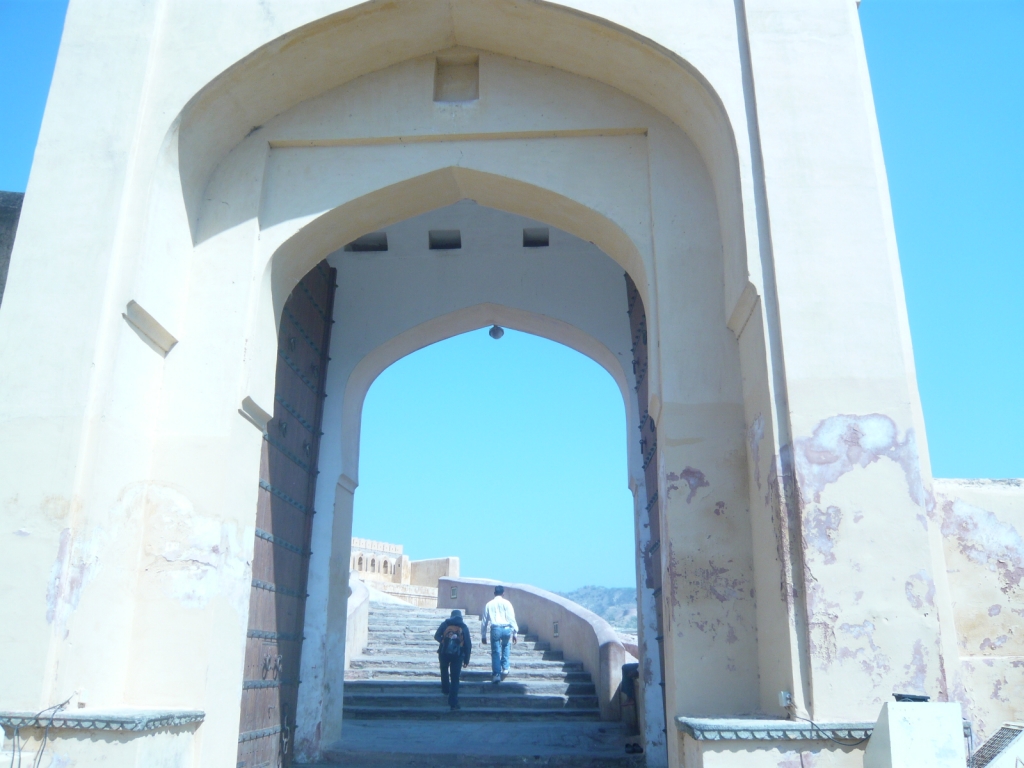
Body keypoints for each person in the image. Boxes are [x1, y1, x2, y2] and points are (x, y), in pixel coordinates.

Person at [433, 609, 471, 711]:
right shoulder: (463, 627)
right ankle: (453, 703)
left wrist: (443, 641)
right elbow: (468, 644)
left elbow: (436, 636)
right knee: (455, 678)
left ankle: (445, 690)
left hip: (443, 653)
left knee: (444, 670)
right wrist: (466, 659)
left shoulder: (445, 624)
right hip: (458, 655)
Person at [481, 585, 518, 683]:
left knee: (496, 651)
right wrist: (515, 632)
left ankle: (496, 674)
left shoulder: (489, 604)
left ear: (494, 593)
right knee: (506, 646)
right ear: (503, 593)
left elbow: (484, 621)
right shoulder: (507, 603)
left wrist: (483, 635)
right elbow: (511, 618)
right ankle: (505, 667)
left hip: (495, 628)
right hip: (506, 628)